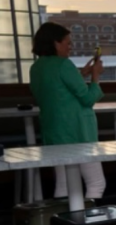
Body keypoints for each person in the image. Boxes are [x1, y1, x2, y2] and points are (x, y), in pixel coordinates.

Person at [29, 22, 106, 199]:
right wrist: (95, 76)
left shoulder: (36, 68)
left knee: (64, 184)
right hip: (77, 132)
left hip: (54, 133)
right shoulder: (64, 64)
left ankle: (65, 223)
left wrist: (81, 75)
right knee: (96, 183)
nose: (70, 47)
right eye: (67, 42)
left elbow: (58, 91)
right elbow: (87, 99)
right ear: (55, 43)